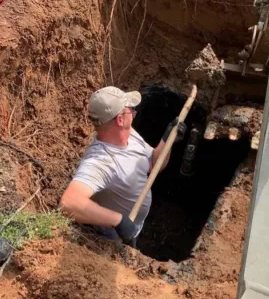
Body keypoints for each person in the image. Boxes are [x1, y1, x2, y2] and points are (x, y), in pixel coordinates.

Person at [59, 86, 186, 247]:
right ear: (119, 120)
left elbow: (153, 164)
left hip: (134, 224)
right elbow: (68, 203)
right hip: (116, 235)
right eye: (130, 110)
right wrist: (118, 221)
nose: (134, 112)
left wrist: (167, 141)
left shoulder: (128, 134)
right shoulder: (101, 162)